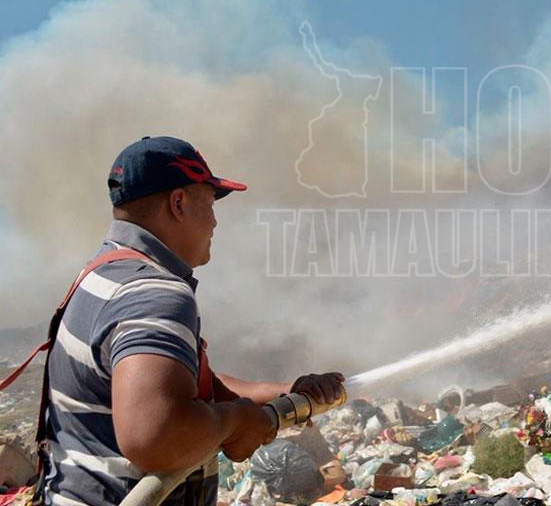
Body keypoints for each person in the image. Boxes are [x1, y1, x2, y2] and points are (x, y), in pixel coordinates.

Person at [35, 136, 345, 506]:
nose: (215, 221)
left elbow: (171, 382)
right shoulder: (153, 294)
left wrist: (285, 392)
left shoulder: (105, 273)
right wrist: (235, 421)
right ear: (179, 203)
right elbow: (155, 438)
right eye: (210, 202)